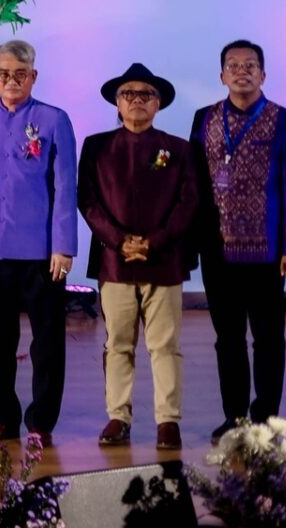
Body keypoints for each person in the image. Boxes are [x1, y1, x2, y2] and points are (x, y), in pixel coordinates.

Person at [189, 39, 286, 436]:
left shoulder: (284, 120)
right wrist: (192, 243)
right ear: (222, 75)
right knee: (228, 339)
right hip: (217, 250)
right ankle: (235, 418)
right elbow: (195, 184)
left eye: (250, 65)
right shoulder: (204, 119)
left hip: (268, 252)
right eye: (234, 65)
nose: (242, 71)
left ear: (263, 74)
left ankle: (267, 418)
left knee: (269, 338)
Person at [80, 63, 198, 451]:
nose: (136, 100)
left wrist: (154, 241)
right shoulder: (96, 147)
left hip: (164, 262)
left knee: (165, 345)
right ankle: (119, 416)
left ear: (158, 103)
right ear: (117, 102)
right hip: (114, 262)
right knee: (118, 344)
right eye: (128, 94)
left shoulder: (178, 149)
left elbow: (188, 203)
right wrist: (119, 240)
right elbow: (88, 200)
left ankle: (168, 420)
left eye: (145, 94)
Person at [0, 39, 76, 445]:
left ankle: (41, 421)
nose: (11, 81)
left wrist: (63, 247)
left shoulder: (53, 119)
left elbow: (65, 186)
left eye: (20, 74)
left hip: (42, 253)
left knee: (47, 342)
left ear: (34, 76)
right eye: (4, 74)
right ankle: (2, 416)